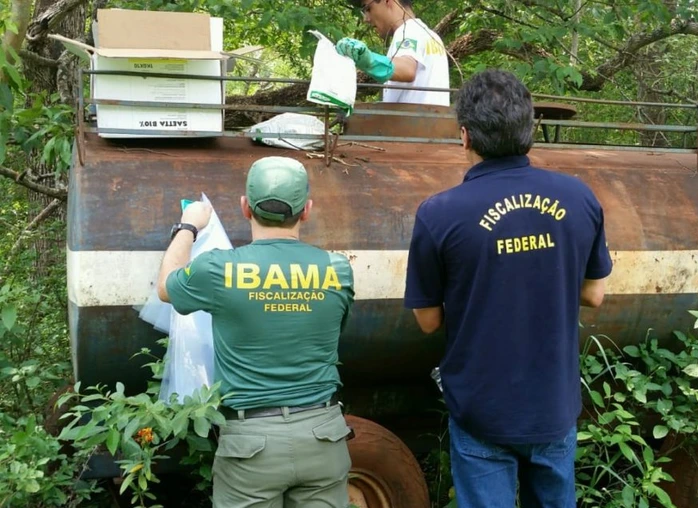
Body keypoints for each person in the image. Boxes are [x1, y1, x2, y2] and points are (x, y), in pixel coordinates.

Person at [403, 69, 613, 507]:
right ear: (530, 130)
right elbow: (594, 295)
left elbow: (427, 321)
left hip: (482, 409)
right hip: (553, 407)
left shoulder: (439, 213)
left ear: (464, 136)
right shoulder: (579, 198)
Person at [157, 156, 356, 508]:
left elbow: (166, 288)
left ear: (245, 207)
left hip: (251, 445)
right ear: (306, 210)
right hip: (322, 435)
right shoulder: (337, 269)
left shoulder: (219, 268)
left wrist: (187, 227)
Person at [336, 0, 450, 106]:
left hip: (414, 126)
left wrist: (370, 60)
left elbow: (407, 69)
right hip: (433, 124)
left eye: (368, 8)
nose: (366, 18)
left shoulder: (408, 31)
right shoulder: (432, 36)